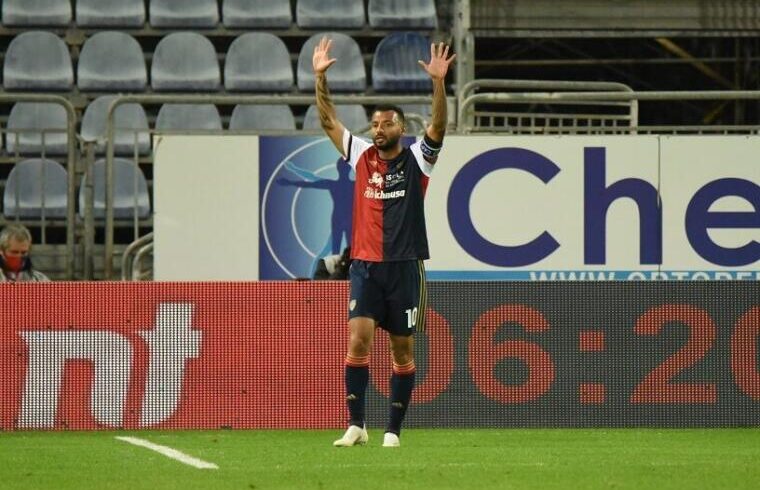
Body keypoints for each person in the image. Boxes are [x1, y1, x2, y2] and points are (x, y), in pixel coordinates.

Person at [312, 36, 455, 447]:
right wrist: (320, 78)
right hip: (366, 266)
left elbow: (439, 126)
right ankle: (357, 425)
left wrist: (438, 83)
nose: (378, 130)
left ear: (400, 128)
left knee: (403, 351)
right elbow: (327, 122)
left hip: (405, 266)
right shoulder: (360, 155)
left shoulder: (418, 159)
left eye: (386, 124)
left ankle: (393, 429)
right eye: (374, 124)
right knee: (358, 339)